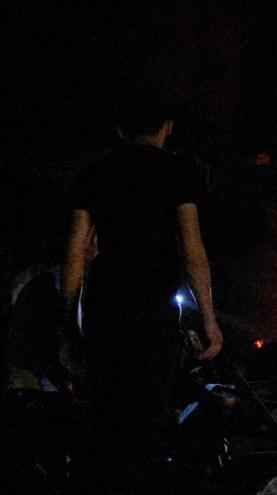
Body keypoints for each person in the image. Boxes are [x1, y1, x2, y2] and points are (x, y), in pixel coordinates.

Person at [60, 101, 222, 492]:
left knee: (103, 421)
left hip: (104, 310)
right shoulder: (180, 172)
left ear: (119, 129)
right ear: (167, 127)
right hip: (152, 315)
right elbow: (192, 248)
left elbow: (75, 251)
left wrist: (67, 329)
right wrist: (209, 322)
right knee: (144, 425)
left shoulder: (95, 171)